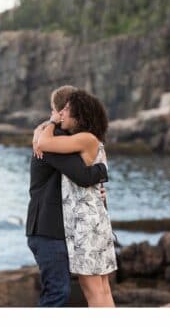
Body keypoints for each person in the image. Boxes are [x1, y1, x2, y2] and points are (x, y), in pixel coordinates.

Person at [26, 85, 109, 307]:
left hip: (57, 229)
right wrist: (103, 172)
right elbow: (83, 176)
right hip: (48, 229)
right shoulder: (54, 142)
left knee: (68, 291)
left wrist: (45, 125)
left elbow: (80, 179)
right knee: (58, 292)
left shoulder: (63, 139)